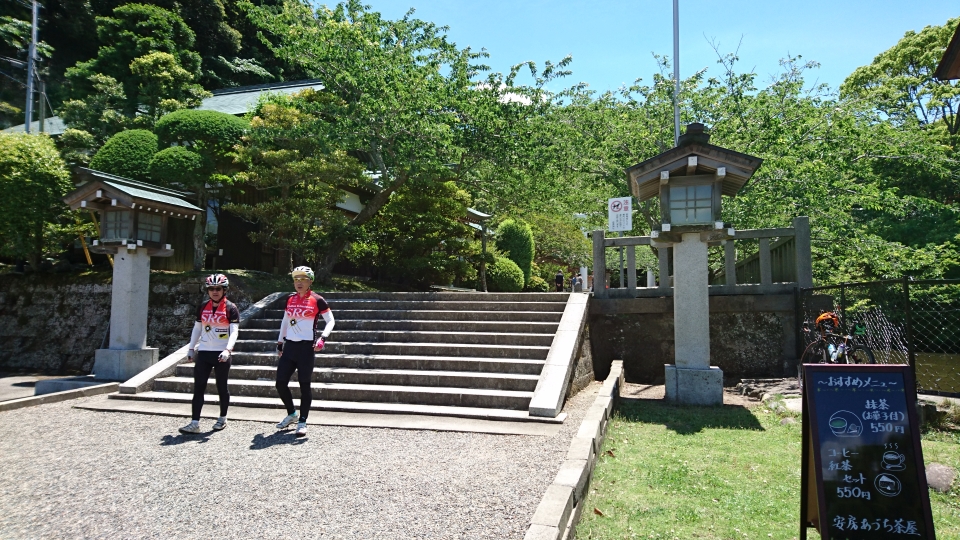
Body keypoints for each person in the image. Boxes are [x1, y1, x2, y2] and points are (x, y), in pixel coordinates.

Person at [275, 266, 335, 437]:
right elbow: (285, 321)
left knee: (304, 385)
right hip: (290, 347)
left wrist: (322, 338)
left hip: (306, 348)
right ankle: (292, 413)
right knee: (280, 383)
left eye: (303, 279)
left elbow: (331, 321)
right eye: (296, 279)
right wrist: (280, 341)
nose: (299, 283)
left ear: (310, 281)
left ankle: (302, 421)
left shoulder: (317, 299)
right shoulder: (290, 299)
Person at [179, 274, 240, 434]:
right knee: (199, 387)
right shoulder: (203, 306)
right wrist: (191, 348)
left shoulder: (231, 308)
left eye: (218, 289)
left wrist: (228, 349)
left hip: (222, 354)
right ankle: (194, 423)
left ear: (224, 290)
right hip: (204, 352)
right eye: (211, 289)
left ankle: (222, 418)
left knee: (221, 387)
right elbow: (197, 328)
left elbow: (234, 331)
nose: (214, 291)